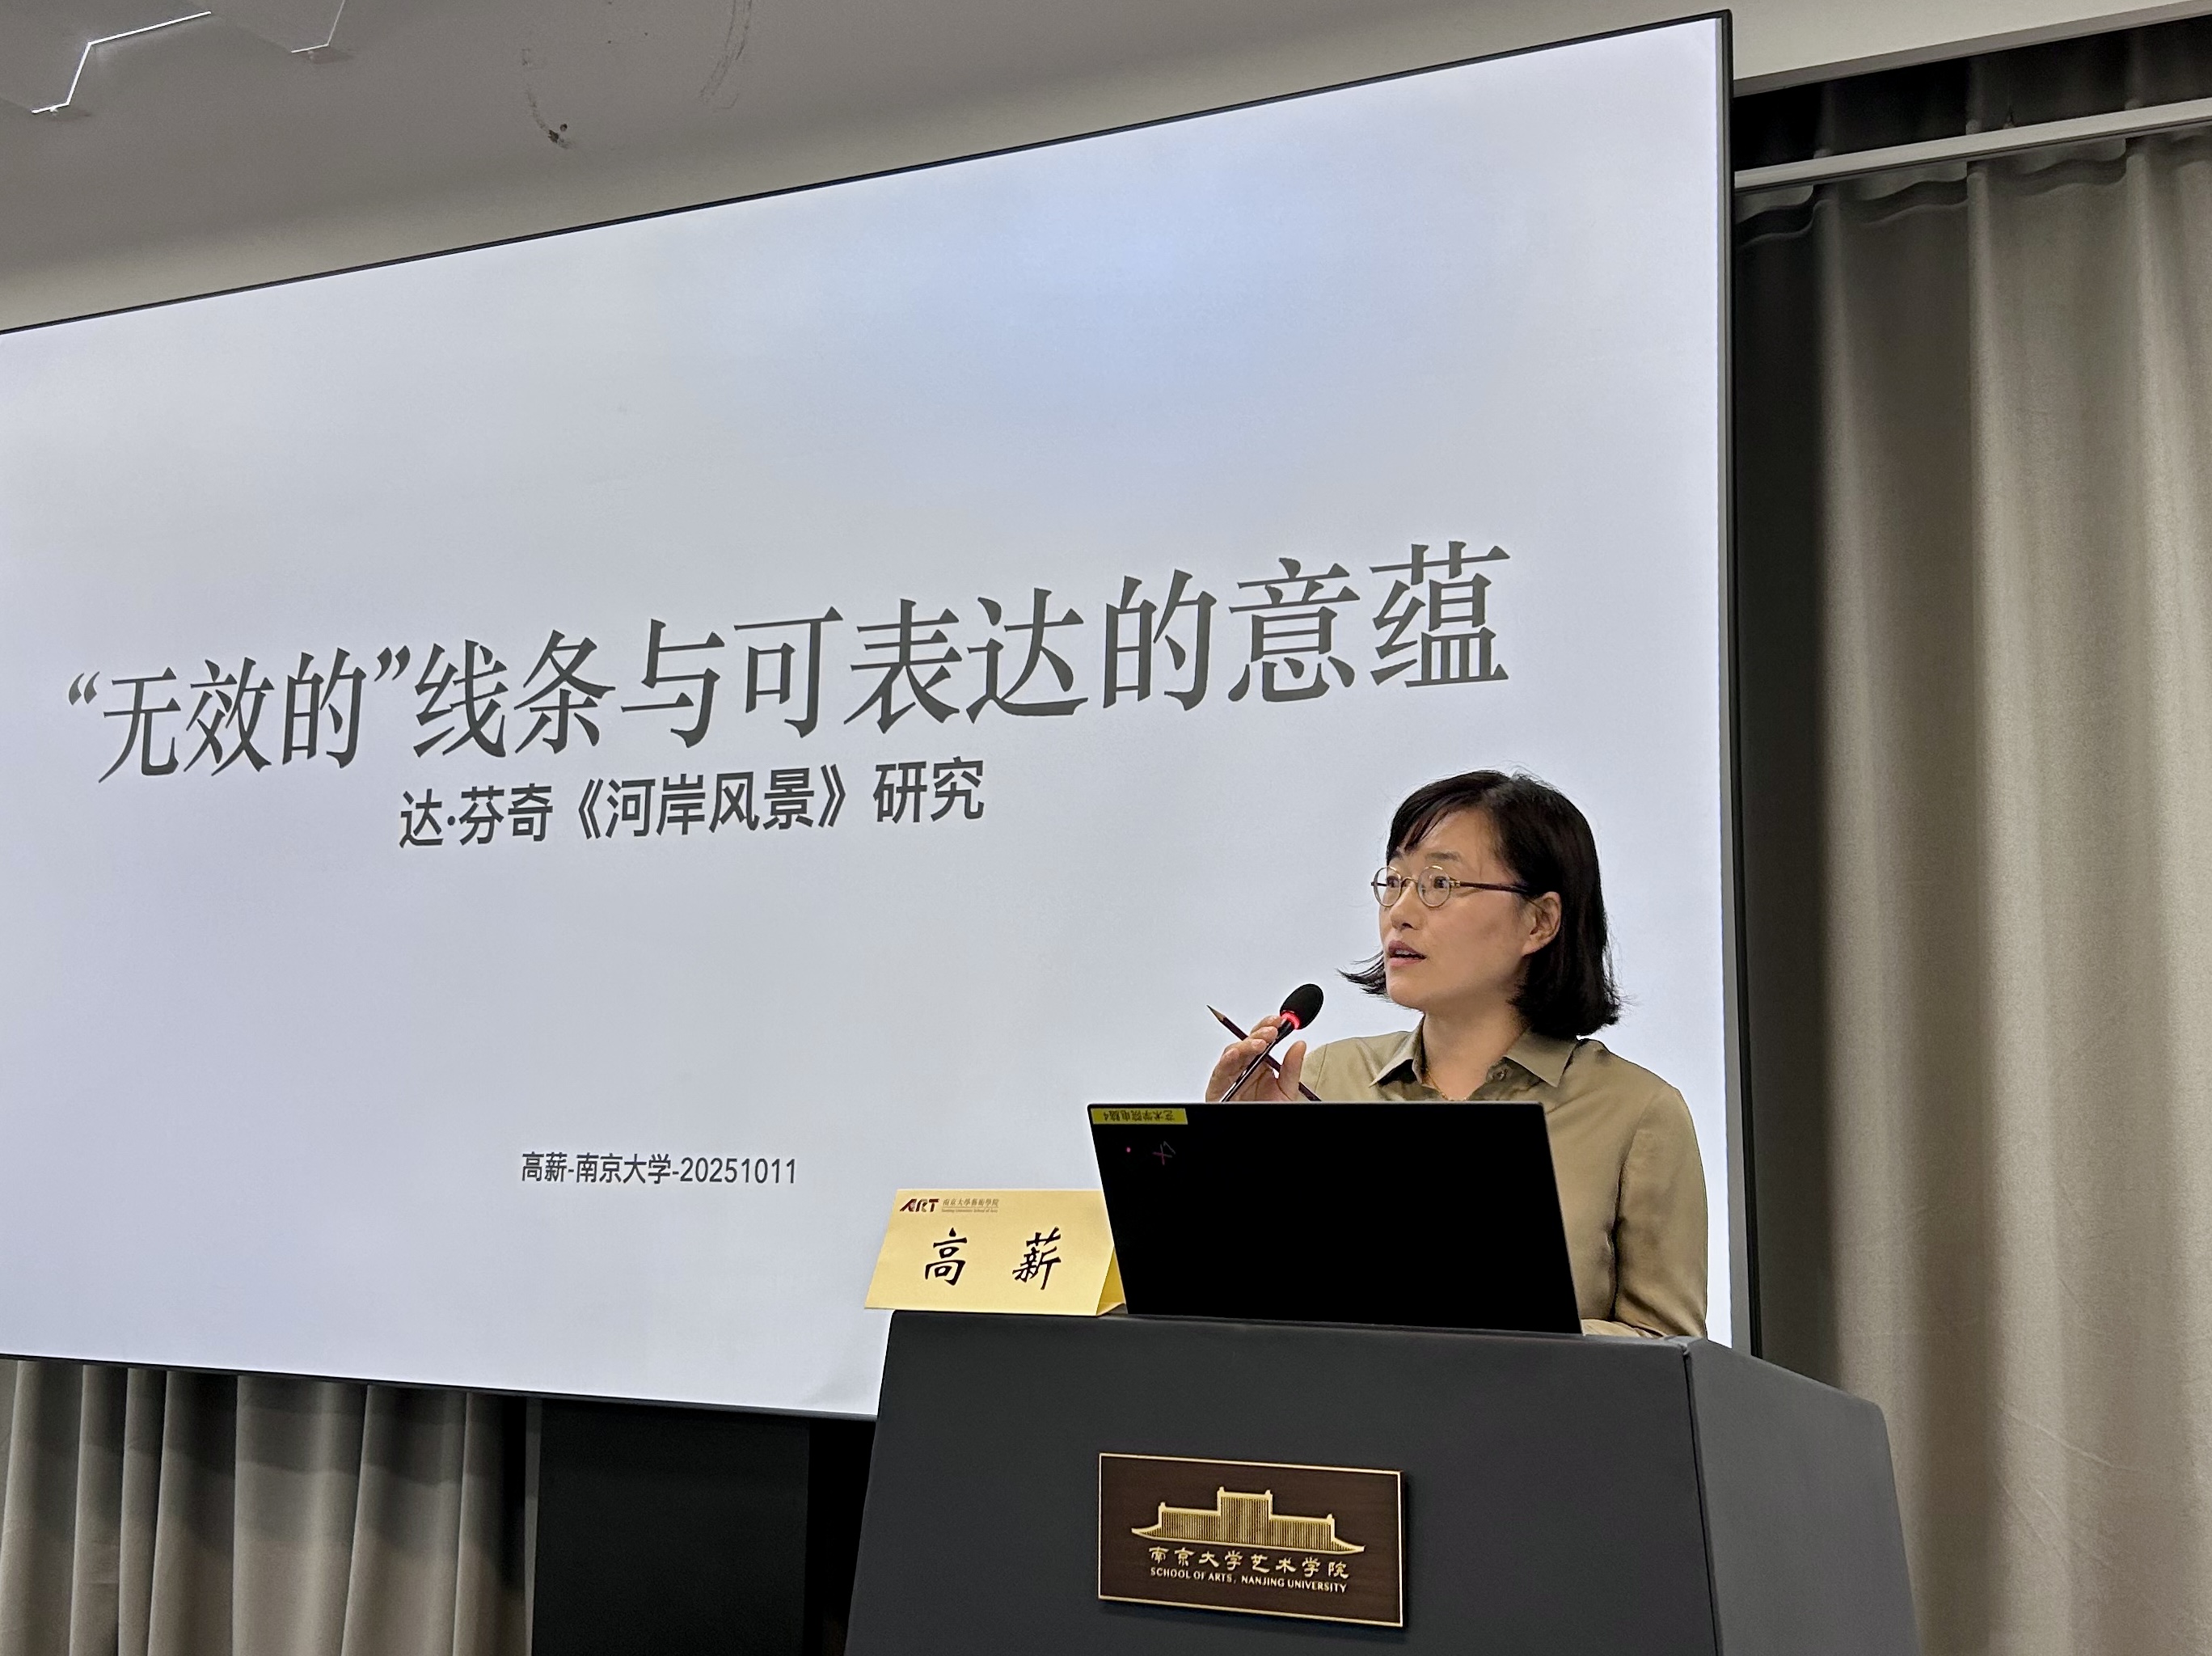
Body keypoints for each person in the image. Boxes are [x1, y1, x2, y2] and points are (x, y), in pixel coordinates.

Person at [1205, 769, 1705, 1338]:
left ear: (1539, 921)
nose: (1401, 911)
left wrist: (1503, 1330)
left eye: (1439, 884)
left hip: (1528, 1399)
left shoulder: (1637, 1112)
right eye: (1394, 881)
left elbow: (1669, 1349)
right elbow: (1241, 1305)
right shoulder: (1324, 1078)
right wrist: (1230, 1160)